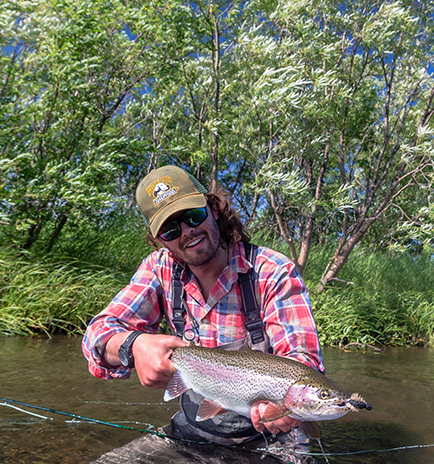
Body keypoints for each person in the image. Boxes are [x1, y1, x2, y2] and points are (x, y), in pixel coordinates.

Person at [82, 165, 325, 448]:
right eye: (170, 229)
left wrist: (286, 403)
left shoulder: (272, 271)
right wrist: (133, 345)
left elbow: (304, 362)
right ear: (159, 239)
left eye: (193, 216)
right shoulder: (158, 269)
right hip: (194, 430)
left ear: (214, 209)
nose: (187, 231)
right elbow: (97, 334)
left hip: (273, 436)